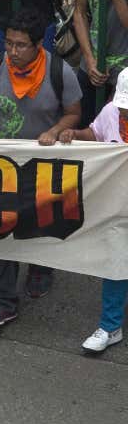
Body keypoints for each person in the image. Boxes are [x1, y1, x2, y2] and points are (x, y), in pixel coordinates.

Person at [0, 7, 81, 330]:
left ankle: (40, 269)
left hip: (43, 169)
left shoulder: (60, 73)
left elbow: (73, 113)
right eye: (8, 44)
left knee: (38, 225)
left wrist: (56, 131)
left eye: (20, 45)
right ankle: (1, 302)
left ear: (37, 46)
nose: (12, 51)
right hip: (1, 168)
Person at [59, 67, 128, 353]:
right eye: (123, 108)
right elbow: (95, 133)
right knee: (115, 261)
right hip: (118, 203)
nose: (124, 114)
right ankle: (110, 326)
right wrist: (74, 134)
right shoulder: (112, 112)